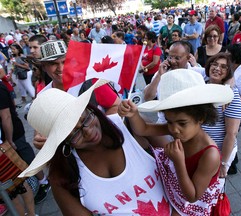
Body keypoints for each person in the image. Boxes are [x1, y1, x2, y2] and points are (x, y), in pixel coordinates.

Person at [19, 81, 172, 215]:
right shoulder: (62, 176)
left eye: (85, 118)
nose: (87, 131)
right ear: (62, 141)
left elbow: (182, 160)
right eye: (74, 133)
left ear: (90, 109)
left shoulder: (131, 125)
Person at [119, 69, 234, 215]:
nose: (174, 129)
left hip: (191, 203)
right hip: (176, 185)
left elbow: (193, 196)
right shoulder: (179, 130)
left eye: (182, 123)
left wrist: (178, 162)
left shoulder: (210, 154)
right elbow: (144, 130)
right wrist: (133, 114)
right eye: (169, 121)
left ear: (201, 118)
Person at [201, 52, 241, 177]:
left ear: (228, 72)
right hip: (200, 147)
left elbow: (232, 133)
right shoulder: (201, 86)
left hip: (218, 150)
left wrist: (223, 163)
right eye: (214, 64)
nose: (217, 68)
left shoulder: (232, 95)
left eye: (223, 67)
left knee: (214, 186)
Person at [0, 82, 37, 216]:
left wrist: (9, 140)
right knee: (13, 189)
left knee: (16, 186)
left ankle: (31, 214)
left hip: (2, 149)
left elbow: (6, 115)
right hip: (3, 147)